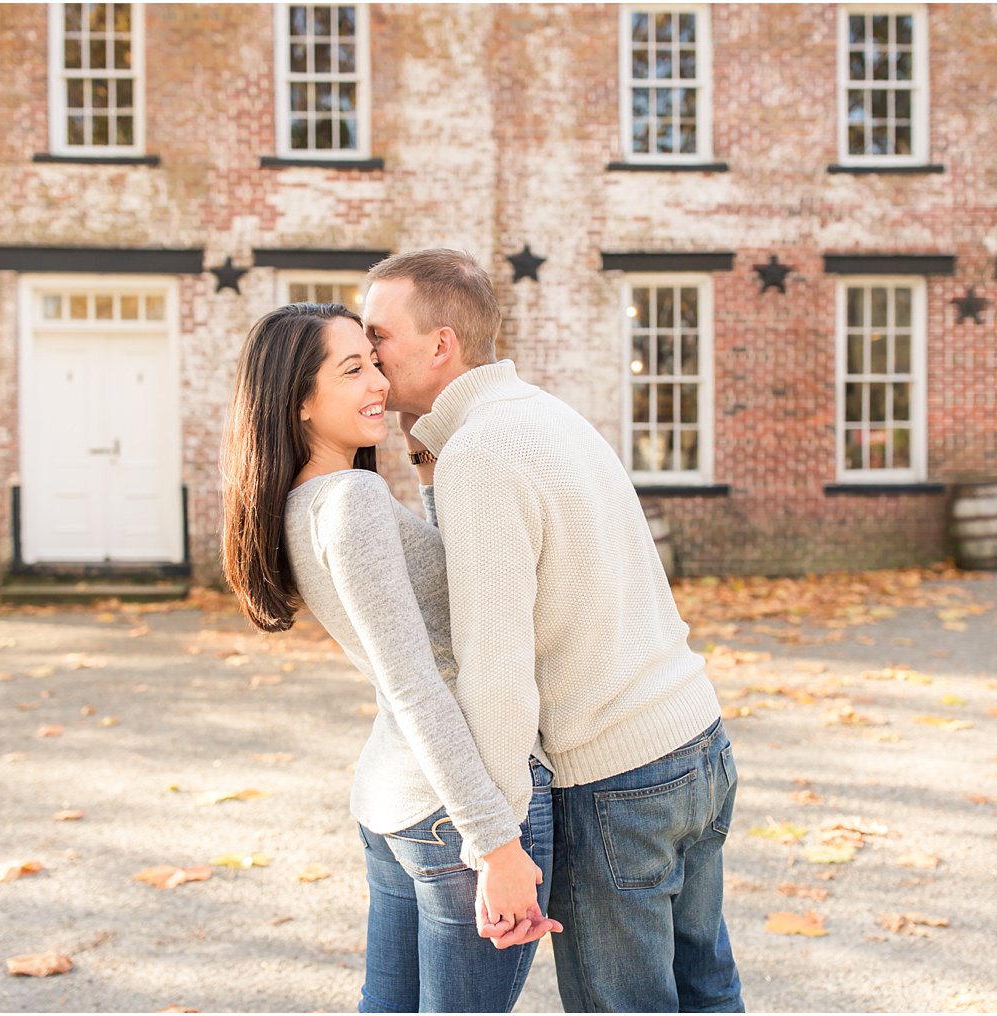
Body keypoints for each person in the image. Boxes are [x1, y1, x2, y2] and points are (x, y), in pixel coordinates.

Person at [362, 250, 745, 1013]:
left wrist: (492, 844)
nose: (367, 357)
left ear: (440, 344)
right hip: (695, 742)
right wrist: (428, 458)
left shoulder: (481, 454)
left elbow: (495, 667)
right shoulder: (535, 413)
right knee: (708, 992)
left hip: (617, 778)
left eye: (378, 336)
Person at [220, 303, 560, 1013]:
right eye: (352, 370)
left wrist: (430, 471)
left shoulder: (301, 503)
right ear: (300, 402)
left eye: (374, 361)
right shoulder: (352, 501)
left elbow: (440, 594)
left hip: (396, 801)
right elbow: (418, 684)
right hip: (455, 811)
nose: (378, 381)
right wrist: (495, 844)